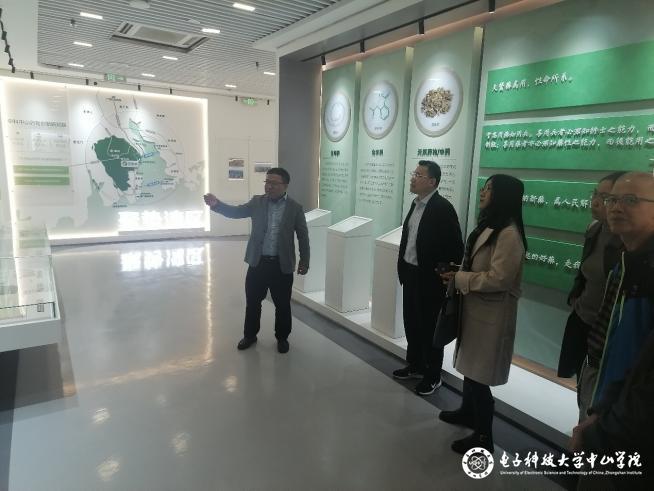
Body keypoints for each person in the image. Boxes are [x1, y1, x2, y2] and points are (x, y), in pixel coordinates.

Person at [570, 172, 654, 489]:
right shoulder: (625, 261)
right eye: (612, 199)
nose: (616, 207)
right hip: (606, 398)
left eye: (631, 200)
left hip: (628, 429)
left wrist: (604, 427)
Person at [439, 174, 527, 454]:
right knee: (471, 369)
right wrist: (459, 273)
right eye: (484, 187)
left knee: (479, 378)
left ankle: (483, 437)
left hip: (491, 315)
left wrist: (461, 278)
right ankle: (468, 412)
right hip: (476, 309)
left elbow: (500, 278)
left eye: (489, 189)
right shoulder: (491, 225)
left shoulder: (509, 233)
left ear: (503, 195)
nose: (483, 192)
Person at [203, 167, 309, 353]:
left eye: (274, 183)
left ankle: (282, 338)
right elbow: (236, 212)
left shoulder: (295, 208)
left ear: (285, 185)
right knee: (252, 302)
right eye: (267, 182)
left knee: (282, 305)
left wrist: (304, 261)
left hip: (281, 266)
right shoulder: (257, 202)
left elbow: (303, 236)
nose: (269, 186)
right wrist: (217, 204)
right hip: (258, 263)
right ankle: (250, 335)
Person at [557, 172, 624, 422]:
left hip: (605, 330)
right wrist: (576, 298)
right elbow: (585, 271)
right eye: (595, 193)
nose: (595, 201)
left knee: (598, 395)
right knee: (582, 384)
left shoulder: (628, 241)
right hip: (583, 318)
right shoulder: (594, 229)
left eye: (605, 197)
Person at [394, 160, 464, 396]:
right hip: (411, 274)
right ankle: (415, 365)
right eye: (413, 173)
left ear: (432, 181)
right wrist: (403, 268)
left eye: (418, 175)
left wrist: (443, 276)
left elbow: (455, 247)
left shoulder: (443, 208)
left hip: (430, 280)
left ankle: (433, 375)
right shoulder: (415, 204)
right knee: (412, 323)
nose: (412, 178)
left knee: (430, 328)